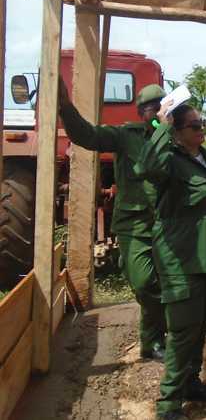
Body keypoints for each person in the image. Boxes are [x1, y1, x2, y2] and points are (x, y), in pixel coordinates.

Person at [135, 102, 206, 420]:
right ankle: (169, 404)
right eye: (195, 126)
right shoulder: (168, 161)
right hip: (180, 260)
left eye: (203, 123)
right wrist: (160, 127)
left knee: (199, 327)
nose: (202, 130)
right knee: (183, 331)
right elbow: (145, 168)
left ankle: (191, 382)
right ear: (177, 132)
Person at [58, 80, 167, 361]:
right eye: (152, 109)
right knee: (144, 283)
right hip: (135, 224)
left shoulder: (175, 136)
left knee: (170, 283)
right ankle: (156, 333)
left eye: (162, 108)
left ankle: (153, 340)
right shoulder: (125, 135)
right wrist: (65, 107)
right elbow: (86, 135)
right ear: (142, 111)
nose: (157, 113)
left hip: (169, 223)